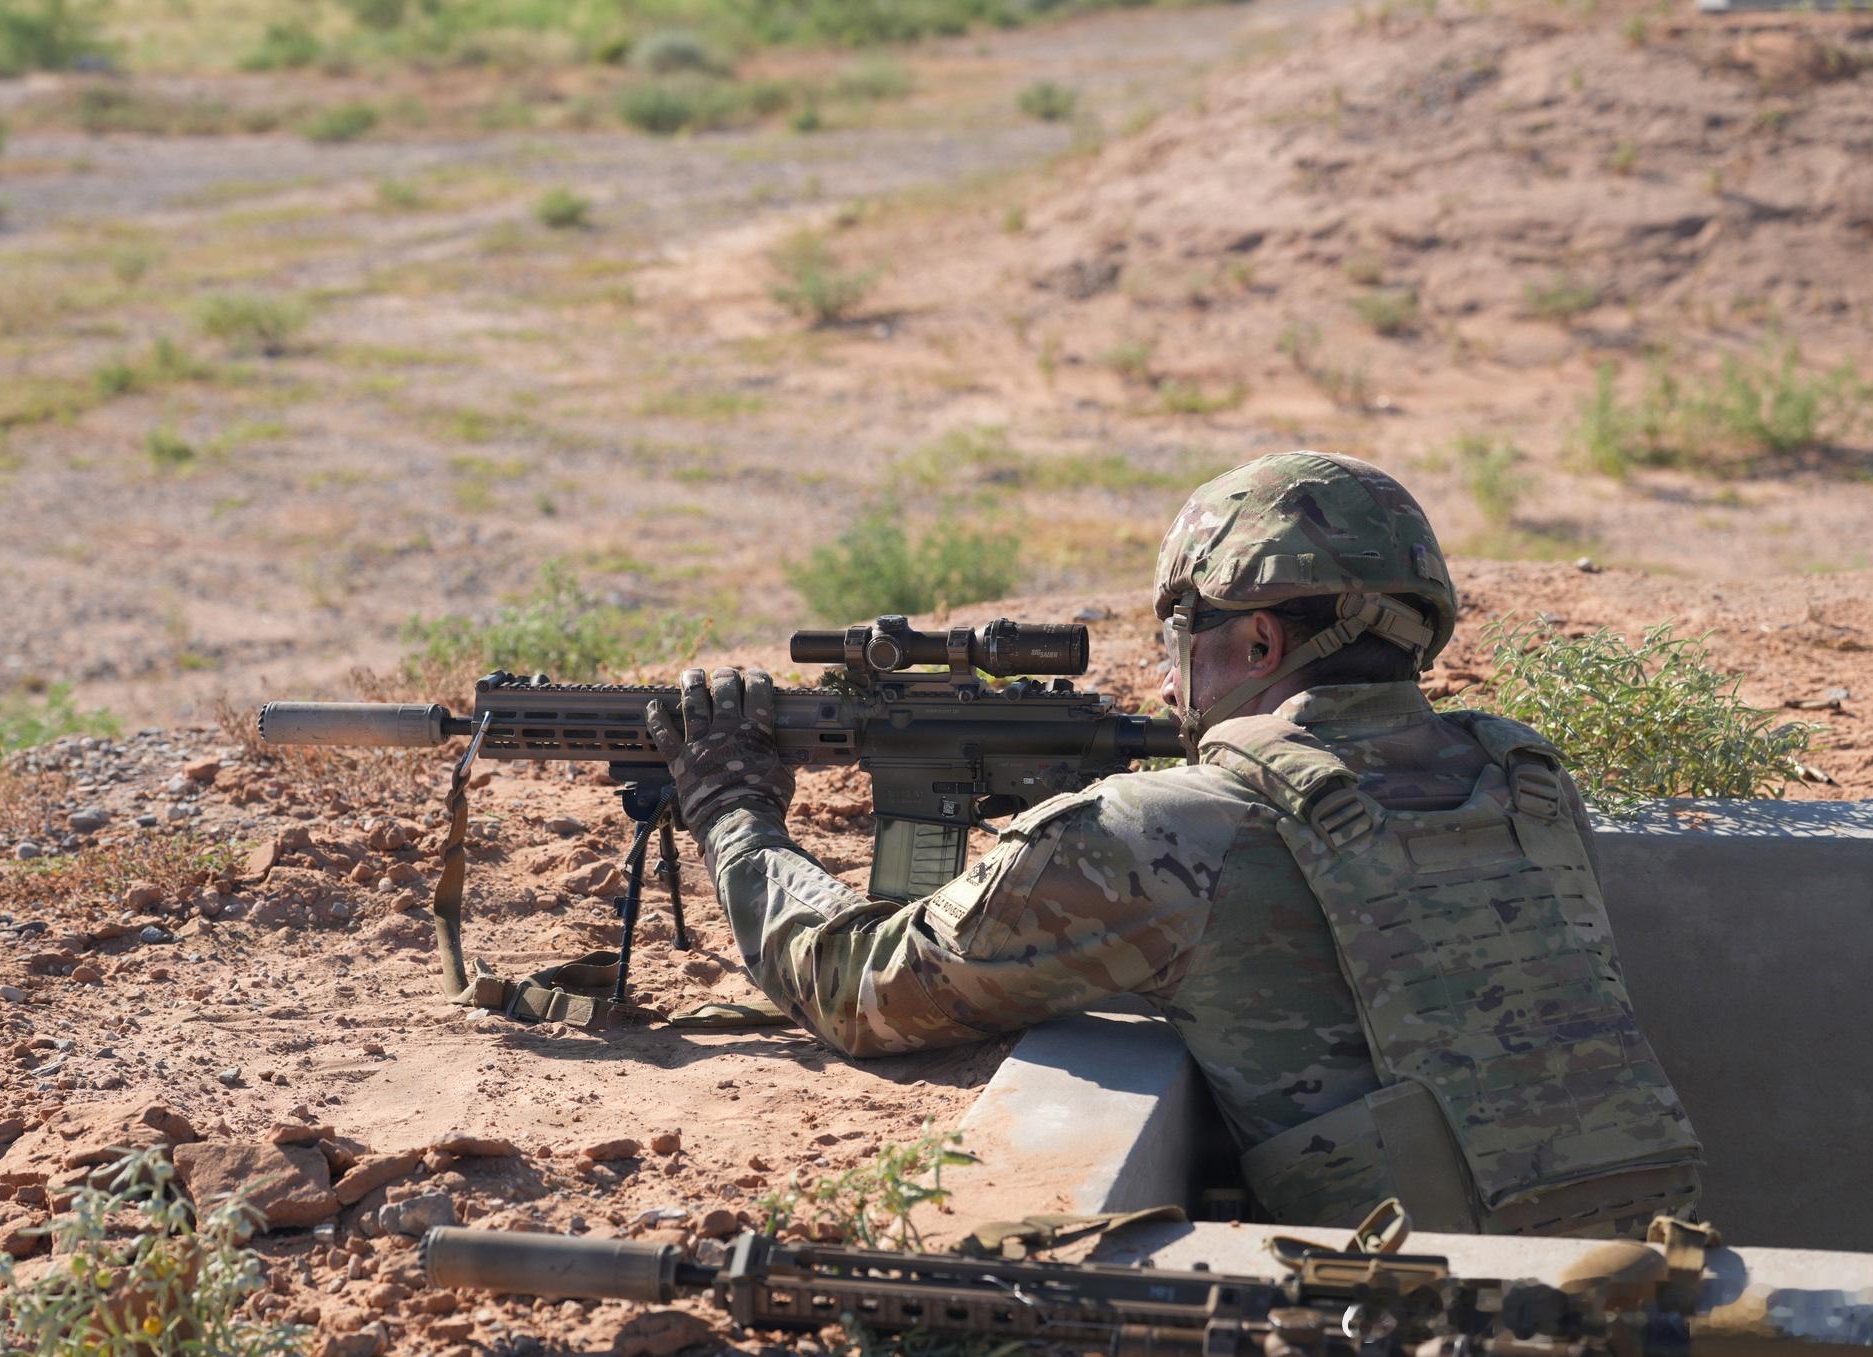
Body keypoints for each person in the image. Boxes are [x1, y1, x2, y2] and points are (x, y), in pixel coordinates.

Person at [643, 451, 1701, 1236]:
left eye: (1175, 636)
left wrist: (731, 803)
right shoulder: (1524, 782)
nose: (1160, 681)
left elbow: (858, 987)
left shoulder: (1164, 833)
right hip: (1637, 1285)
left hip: (1405, 1320)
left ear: (1257, 640)